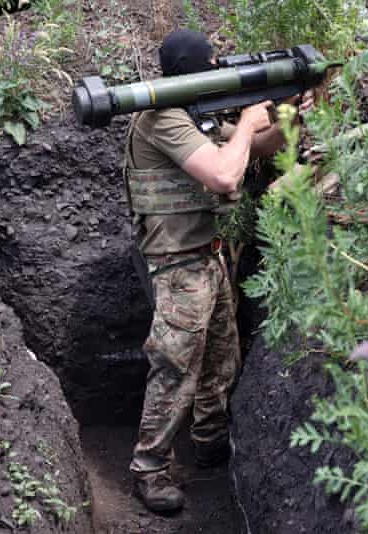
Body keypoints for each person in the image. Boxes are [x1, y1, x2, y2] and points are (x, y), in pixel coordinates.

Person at [124, 29, 312, 512]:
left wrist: (287, 111)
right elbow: (225, 173)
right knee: (176, 367)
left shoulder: (193, 116)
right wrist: (248, 124)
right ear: (191, 68)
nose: (218, 70)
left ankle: (208, 442)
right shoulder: (161, 118)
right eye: (211, 63)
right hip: (176, 263)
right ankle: (149, 469)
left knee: (221, 359)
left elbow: (261, 148)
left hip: (209, 254)